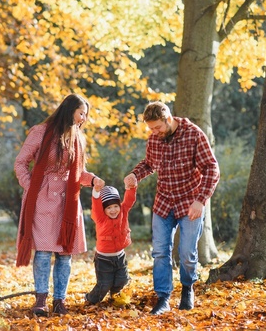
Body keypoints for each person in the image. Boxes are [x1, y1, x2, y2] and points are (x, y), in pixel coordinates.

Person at [124, 101, 220, 315]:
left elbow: (212, 168)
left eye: (157, 127)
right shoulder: (154, 139)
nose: (154, 132)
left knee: (186, 252)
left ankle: (188, 288)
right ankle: (163, 298)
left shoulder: (194, 134)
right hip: (164, 203)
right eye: (151, 129)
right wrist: (135, 174)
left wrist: (201, 199)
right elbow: (149, 164)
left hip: (190, 203)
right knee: (160, 252)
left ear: (168, 118)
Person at [14, 93, 105, 316]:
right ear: (69, 109)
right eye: (81, 112)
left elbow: (77, 173)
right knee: (44, 253)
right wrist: (32, 187)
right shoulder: (41, 131)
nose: (83, 118)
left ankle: (59, 300)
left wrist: (92, 180)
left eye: (86, 114)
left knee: (65, 254)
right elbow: (20, 163)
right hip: (42, 201)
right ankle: (41, 300)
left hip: (67, 203)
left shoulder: (78, 138)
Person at [85, 184, 137, 305]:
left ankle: (114, 298)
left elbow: (129, 200)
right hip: (104, 259)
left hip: (120, 257)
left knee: (122, 280)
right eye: (109, 208)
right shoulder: (100, 217)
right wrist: (96, 192)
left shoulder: (123, 211)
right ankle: (90, 299)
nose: (113, 210)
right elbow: (96, 205)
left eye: (115, 206)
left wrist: (131, 187)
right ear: (103, 209)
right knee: (104, 285)